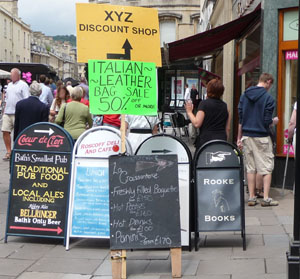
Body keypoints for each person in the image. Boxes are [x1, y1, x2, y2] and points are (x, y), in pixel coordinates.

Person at [237, 72, 278, 207]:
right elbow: (267, 122)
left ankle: (251, 197)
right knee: (266, 168)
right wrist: (274, 121)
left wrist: (239, 138)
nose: (269, 88)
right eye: (270, 85)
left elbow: (241, 119)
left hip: (247, 136)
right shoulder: (268, 99)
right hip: (262, 136)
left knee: (250, 168)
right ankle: (266, 198)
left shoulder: (244, 95)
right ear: (268, 82)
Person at [185, 79, 230, 151]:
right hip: (221, 141)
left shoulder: (204, 104)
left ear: (208, 90)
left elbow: (197, 123)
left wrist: (189, 112)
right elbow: (227, 128)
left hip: (206, 142)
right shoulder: (225, 106)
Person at [2, 68, 30, 160]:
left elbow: (26, 99)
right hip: (8, 111)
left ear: (18, 75)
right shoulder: (9, 85)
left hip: (18, 113)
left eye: (14, 75)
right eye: (11, 75)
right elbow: (6, 98)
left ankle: (18, 150)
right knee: (5, 131)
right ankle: (8, 151)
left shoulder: (23, 85)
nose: (12, 76)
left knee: (19, 133)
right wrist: (4, 110)